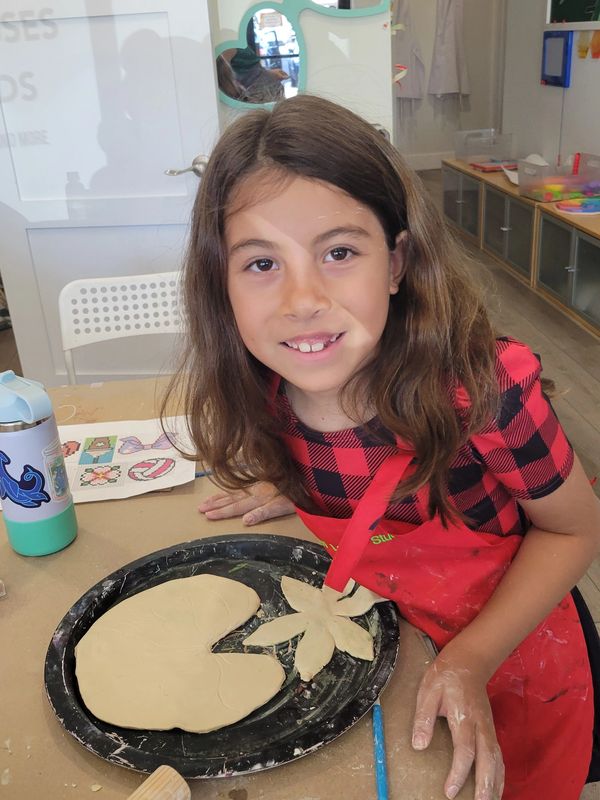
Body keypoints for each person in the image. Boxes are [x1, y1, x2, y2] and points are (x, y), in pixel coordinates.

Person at [164, 94, 600, 800]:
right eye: (261, 264)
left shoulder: (483, 393)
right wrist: (290, 482)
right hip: (391, 660)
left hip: (511, 658)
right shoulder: (269, 390)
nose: (301, 300)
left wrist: (470, 659)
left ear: (396, 263)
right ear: (221, 281)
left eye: (339, 252)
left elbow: (577, 528)